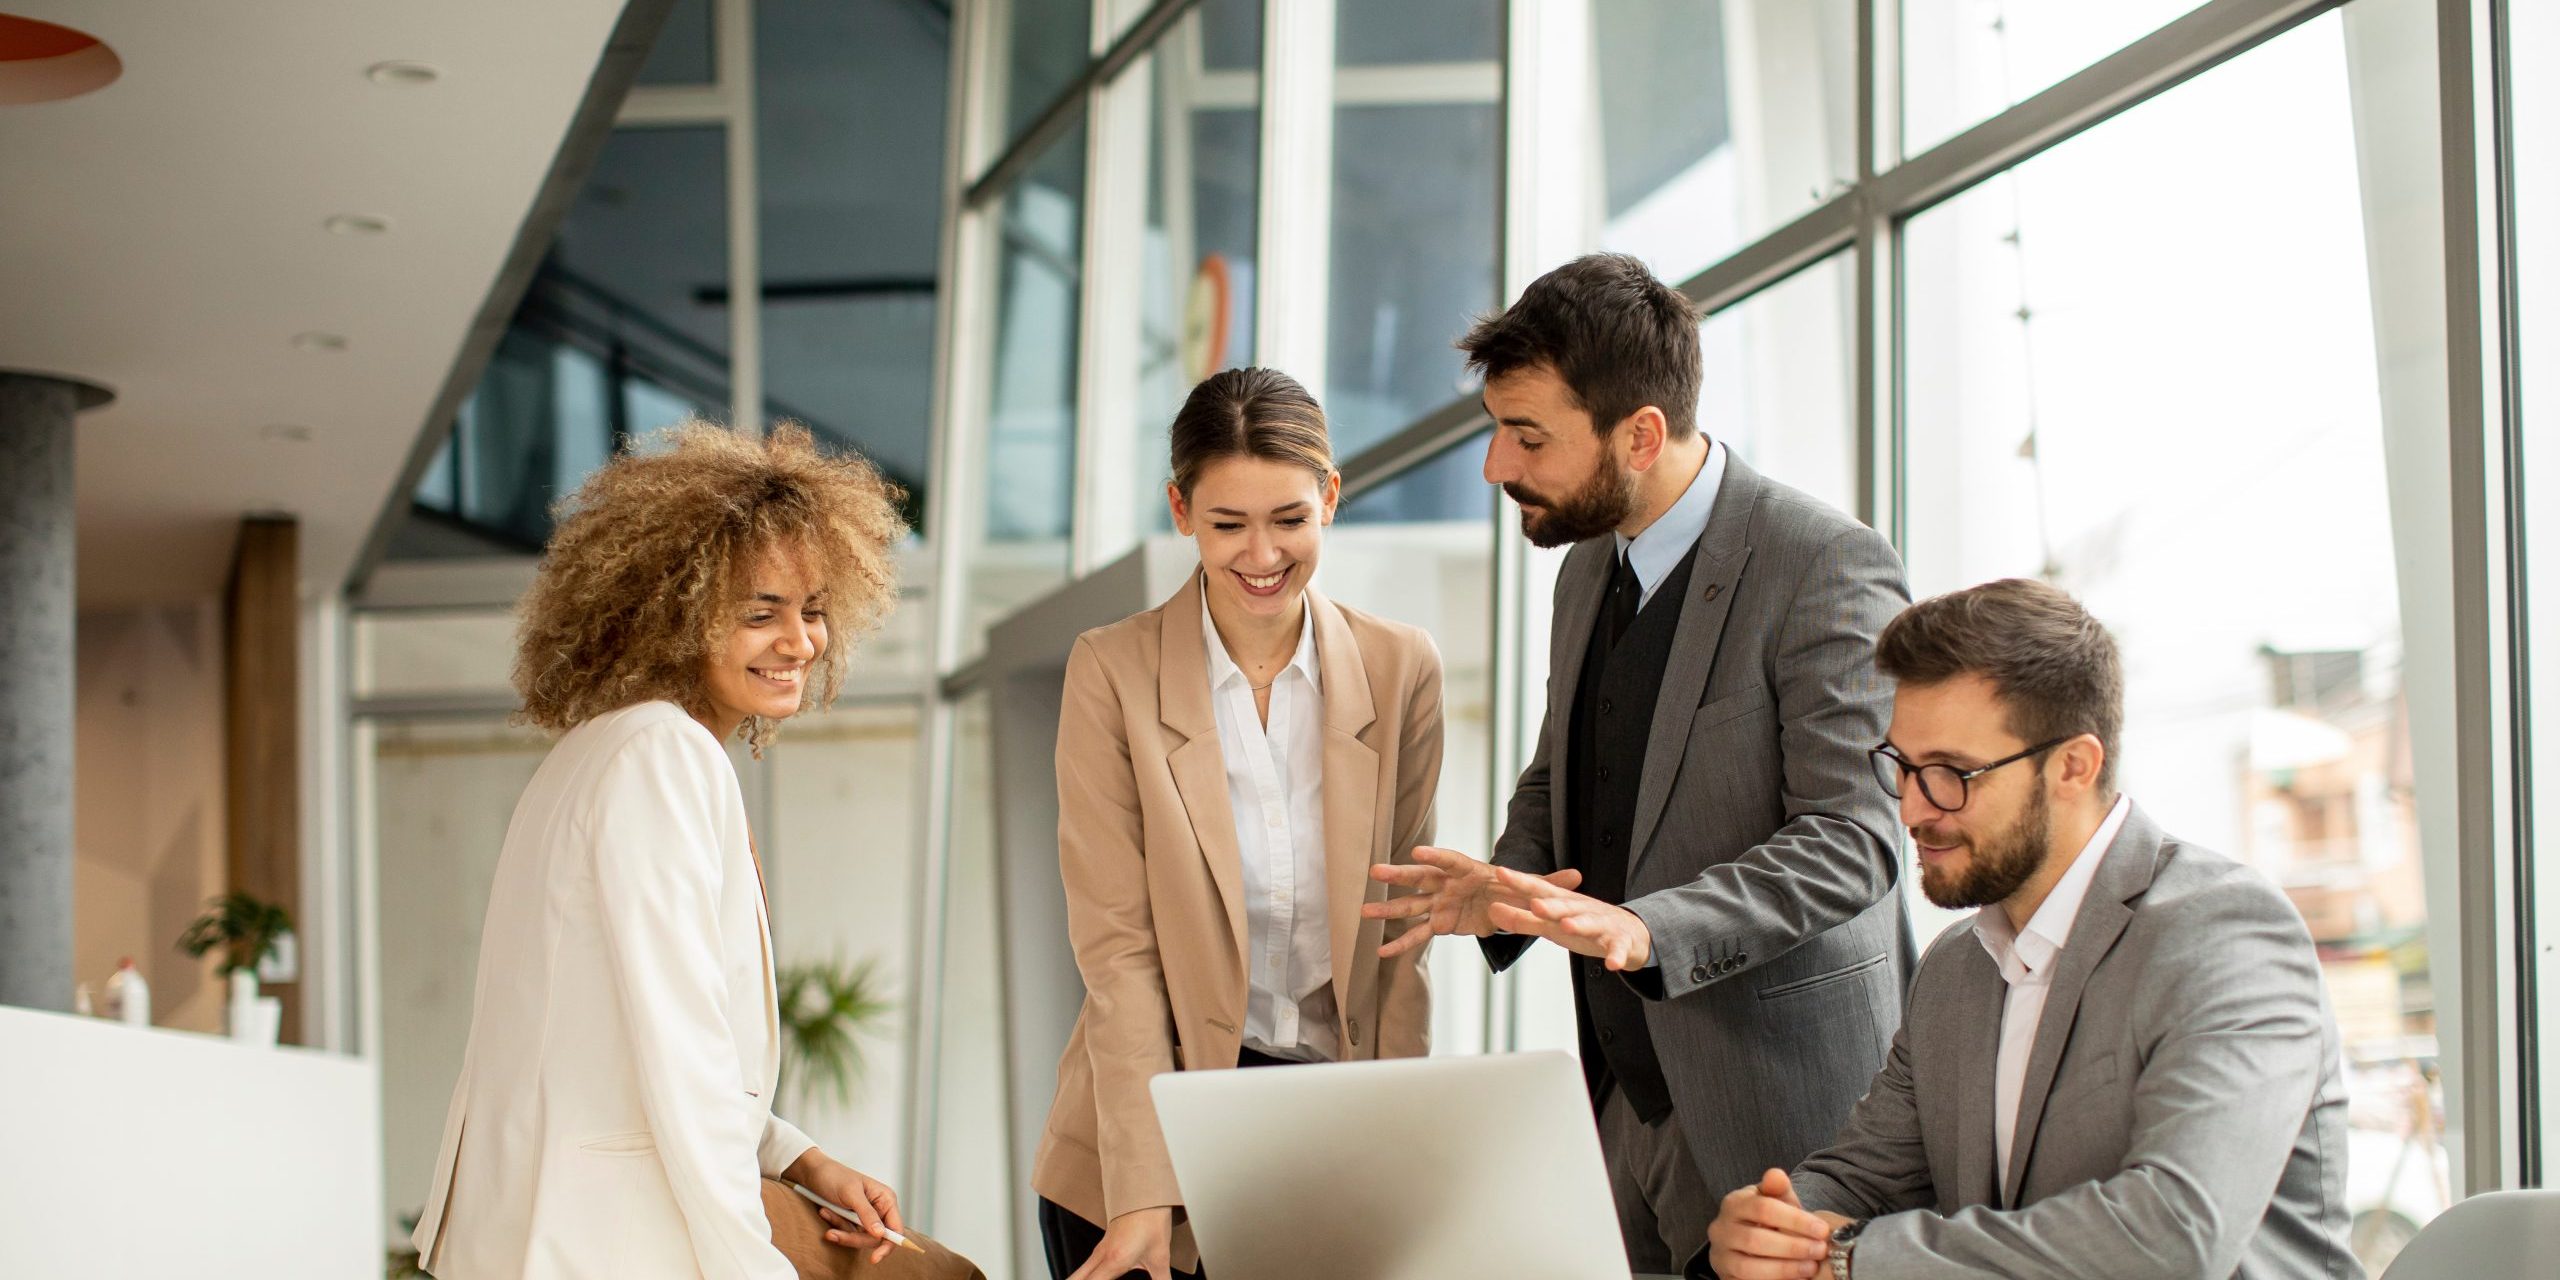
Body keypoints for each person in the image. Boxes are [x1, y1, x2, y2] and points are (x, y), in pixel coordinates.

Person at [1366, 252, 1912, 1272]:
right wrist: (1505, 880)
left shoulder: (1821, 562)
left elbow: (1856, 838)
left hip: (1785, 1116)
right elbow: (1565, 764)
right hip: (1622, 1098)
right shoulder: (1585, 567)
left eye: (1526, 436)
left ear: (1641, 433)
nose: (1495, 466)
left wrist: (1645, 926)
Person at [410, 422, 979, 1280]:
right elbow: (680, 1050)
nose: (800, 643)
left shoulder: (605, 749)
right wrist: (755, 1268)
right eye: (762, 613)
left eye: (813, 610)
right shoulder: (660, 755)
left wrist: (800, 1159)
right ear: (674, 613)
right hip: (608, 1232)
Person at [1704, 578, 2358, 1280]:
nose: (1914, 811)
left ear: (2074, 766)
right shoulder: (1957, 966)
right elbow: (1864, 1177)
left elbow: (2174, 1234)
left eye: (1953, 773)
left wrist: (1849, 1258)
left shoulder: (2226, 935)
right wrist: (1778, 1225)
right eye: (1902, 767)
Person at [1032, 368, 1446, 1280]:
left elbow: (1401, 935)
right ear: (1181, 511)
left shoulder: (1400, 666)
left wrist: (1402, 1155)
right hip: (1151, 1132)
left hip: (1325, 1128)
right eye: (1228, 525)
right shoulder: (1112, 673)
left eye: (1290, 519)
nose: (1262, 554)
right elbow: (1119, 953)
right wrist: (1145, 1194)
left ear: (1330, 498)